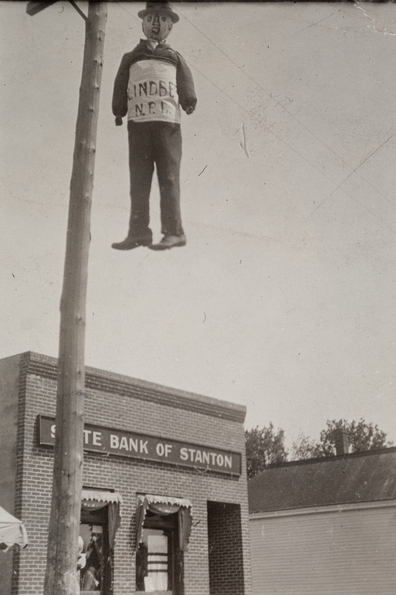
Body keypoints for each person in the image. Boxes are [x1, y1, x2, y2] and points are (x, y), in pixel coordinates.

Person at [111, 1, 197, 251]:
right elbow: (120, 84)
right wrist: (118, 110)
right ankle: (138, 233)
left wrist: (189, 100)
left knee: (168, 178)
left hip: (167, 126)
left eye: (162, 19)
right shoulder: (131, 57)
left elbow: (186, 83)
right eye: (151, 18)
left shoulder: (174, 58)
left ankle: (174, 232)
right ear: (143, 23)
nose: (156, 24)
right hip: (138, 126)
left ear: (170, 25)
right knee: (138, 179)